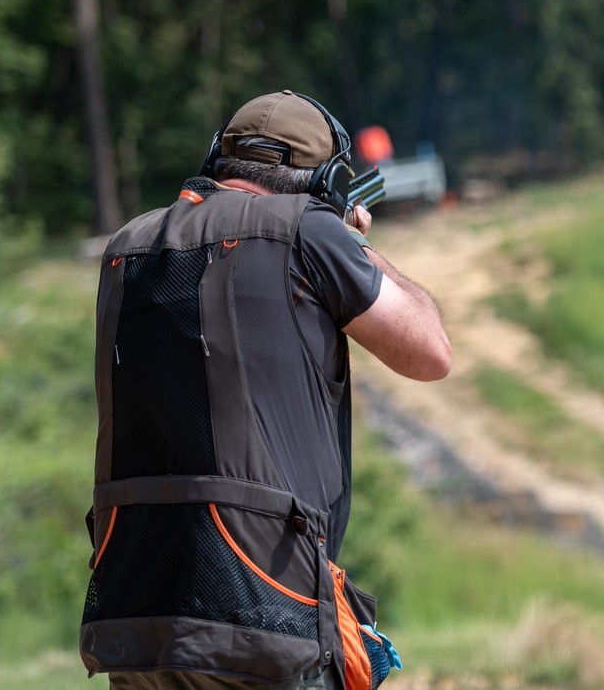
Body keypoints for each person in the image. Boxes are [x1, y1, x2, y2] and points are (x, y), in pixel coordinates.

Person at [80, 90, 451, 690]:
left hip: (135, 615)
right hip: (265, 614)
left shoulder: (127, 247)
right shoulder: (307, 229)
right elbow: (430, 351)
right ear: (327, 184)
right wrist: (353, 242)